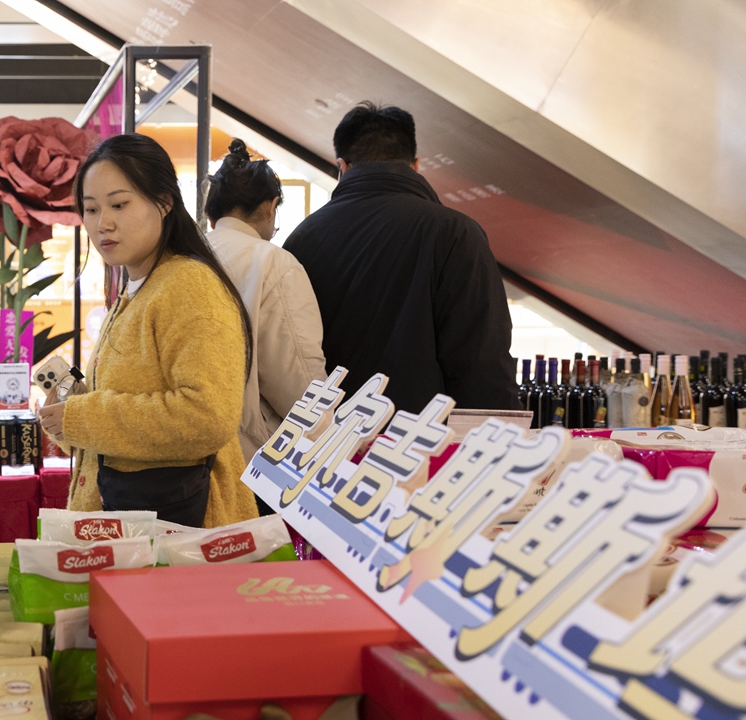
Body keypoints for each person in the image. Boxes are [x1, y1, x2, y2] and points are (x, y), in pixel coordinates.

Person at [38, 133, 258, 528]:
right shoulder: (138, 286)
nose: (103, 223)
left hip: (183, 539)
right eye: (90, 209)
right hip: (136, 532)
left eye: (120, 204)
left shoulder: (188, 285)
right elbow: (127, 406)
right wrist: (68, 413)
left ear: (164, 202)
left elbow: (207, 416)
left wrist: (83, 416)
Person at [284, 102, 519, 413]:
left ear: (342, 166)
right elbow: (482, 360)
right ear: (416, 165)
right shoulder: (456, 233)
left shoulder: (302, 238)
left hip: (326, 443)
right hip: (418, 448)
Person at [205, 139, 326, 513]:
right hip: (250, 466)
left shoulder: (182, 255)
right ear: (270, 207)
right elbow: (298, 379)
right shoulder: (271, 262)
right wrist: (327, 444)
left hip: (181, 457)